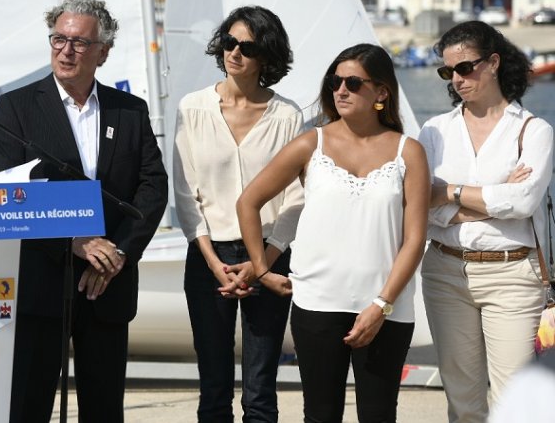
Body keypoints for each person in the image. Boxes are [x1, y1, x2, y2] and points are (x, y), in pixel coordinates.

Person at [0, 0, 168, 423]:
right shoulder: (15, 108)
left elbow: (152, 187)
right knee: (27, 407)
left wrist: (117, 254)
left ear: (103, 52)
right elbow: (12, 195)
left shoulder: (130, 110)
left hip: (108, 283)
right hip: (42, 282)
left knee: (104, 409)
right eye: (58, 39)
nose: (66, 51)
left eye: (80, 43)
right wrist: (73, 242)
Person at [236, 43, 429, 422]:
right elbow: (248, 202)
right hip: (317, 303)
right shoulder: (312, 144)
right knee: (320, 415)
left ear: (381, 92)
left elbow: (414, 239)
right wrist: (261, 268)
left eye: (353, 83)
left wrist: (381, 305)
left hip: (387, 308)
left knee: (378, 415)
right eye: (336, 81)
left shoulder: (409, 152)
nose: (341, 90)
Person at [417, 21, 554, 422]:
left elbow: (524, 200)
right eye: (448, 72)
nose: (456, 79)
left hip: (514, 274)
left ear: (493, 62)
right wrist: (495, 194)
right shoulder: (434, 130)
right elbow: (422, 202)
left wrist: (451, 192)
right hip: (444, 270)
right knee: (461, 395)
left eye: (465, 68)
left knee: (514, 397)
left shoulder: (534, 130)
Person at [173, 5, 303, 422]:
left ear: (266, 55)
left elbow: (296, 198)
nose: (235, 53)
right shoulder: (192, 108)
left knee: (261, 392)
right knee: (212, 388)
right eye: (229, 42)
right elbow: (185, 193)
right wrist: (213, 263)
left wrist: (262, 262)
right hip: (208, 256)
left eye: (247, 46)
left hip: (269, 256)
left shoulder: (287, 115)